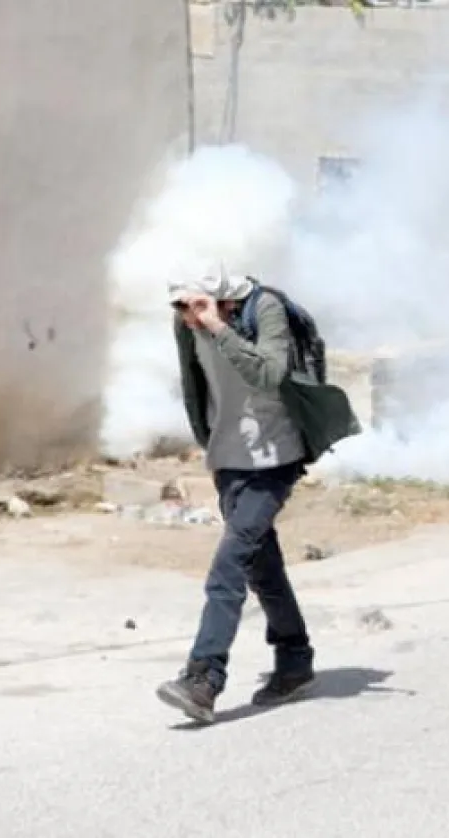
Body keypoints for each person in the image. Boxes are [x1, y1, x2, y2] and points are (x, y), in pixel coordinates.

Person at [155, 272, 334, 723]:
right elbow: (196, 386)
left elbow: (268, 373)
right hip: (229, 459)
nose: (187, 317)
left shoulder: (264, 309)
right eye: (179, 307)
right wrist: (211, 449)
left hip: (276, 457)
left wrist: (218, 327)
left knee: (229, 565)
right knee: (261, 566)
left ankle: (204, 677)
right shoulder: (186, 322)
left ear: (223, 298)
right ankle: (295, 660)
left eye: (195, 305)